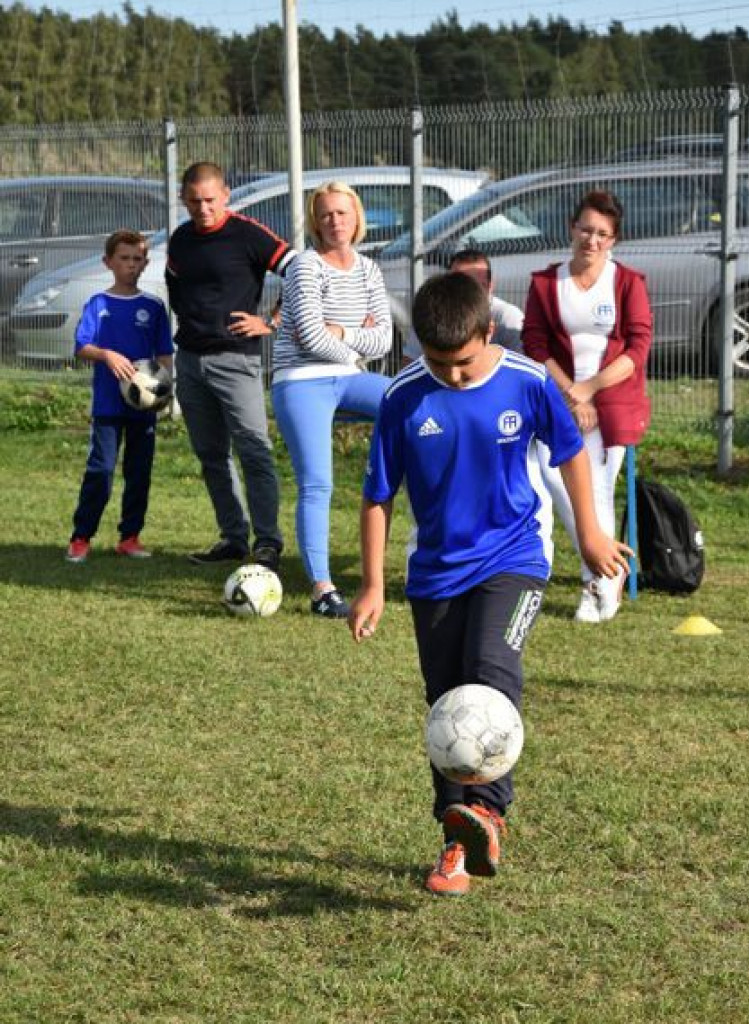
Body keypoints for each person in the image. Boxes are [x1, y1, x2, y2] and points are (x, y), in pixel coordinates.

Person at [348, 272, 631, 896]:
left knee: (490, 671)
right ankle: (456, 842)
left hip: (515, 559)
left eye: (465, 361)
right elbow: (376, 496)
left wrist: (589, 534)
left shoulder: (526, 381)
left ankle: (489, 813)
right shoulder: (402, 397)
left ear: (487, 331)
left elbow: (570, 452)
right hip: (435, 575)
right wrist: (373, 584)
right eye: (438, 362)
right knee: (447, 703)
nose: (453, 375)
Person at [522, 190, 653, 623]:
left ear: (613, 239)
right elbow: (535, 344)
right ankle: (609, 567)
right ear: (570, 228)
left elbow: (638, 346)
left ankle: (594, 583)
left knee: (596, 489)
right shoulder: (545, 283)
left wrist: (591, 389)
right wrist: (569, 393)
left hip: (611, 402)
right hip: (558, 400)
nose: (591, 240)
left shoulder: (629, 282)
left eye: (602, 234)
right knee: (555, 480)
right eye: (585, 229)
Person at [166, 161, 297, 570]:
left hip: (237, 360)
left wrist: (271, 322)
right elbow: (176, 290)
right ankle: (233, 538)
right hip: (189, 361)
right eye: (194, 202)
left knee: (254, 451)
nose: (203, 209)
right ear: (183, 200)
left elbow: (299, 271)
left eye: (209, 200)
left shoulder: (248, 234)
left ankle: (268, 542)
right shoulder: (181, 239)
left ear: (225, 195)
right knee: (211, 455)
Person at [271, 181, 392, 618]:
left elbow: (385, 339)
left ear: (357, 217)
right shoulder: (305, 266)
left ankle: (396, 485)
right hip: (300, 378)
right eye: (325, 215)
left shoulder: (369, 270)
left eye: (342, 213)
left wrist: (345, 336)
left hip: (349, 373)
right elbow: (308, 334)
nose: (335, 221)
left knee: (411, 404)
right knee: (317, 482)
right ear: (315, 222)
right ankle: (323, 589)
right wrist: (355, 346)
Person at [65, 229, 174, 563]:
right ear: (108, 262)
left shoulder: (153, 306)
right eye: (124, 258)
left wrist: (166, 393)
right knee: (101, 470)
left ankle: (130, 537)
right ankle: (81, 537)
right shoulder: (98, 304)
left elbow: (164, 355)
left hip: (144, 407)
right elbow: (82, 347)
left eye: (137, 259)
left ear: (145, 263)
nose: (131, 264)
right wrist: (107, 355)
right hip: (109, 406)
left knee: (139, 473)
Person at [401, 248, 523, 365]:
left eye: (477, 286)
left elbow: (522, 373)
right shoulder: (431, 312)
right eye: (460, 285)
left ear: (491, 286)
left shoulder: (508, 318)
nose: (468, 293)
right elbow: (410, 362)